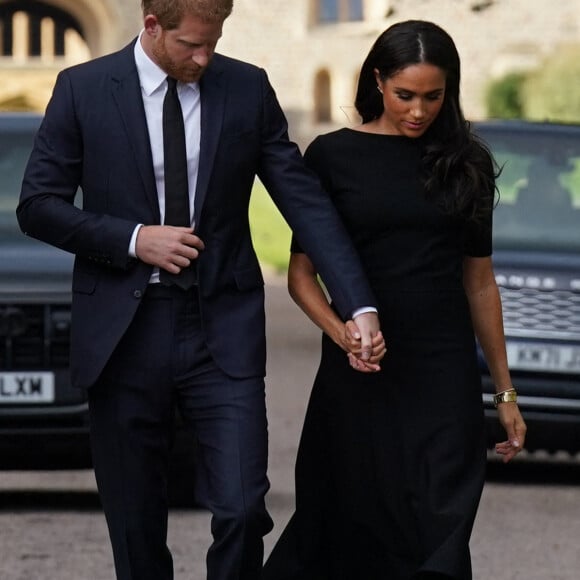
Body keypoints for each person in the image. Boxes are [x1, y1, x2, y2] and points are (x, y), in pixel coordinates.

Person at [16, 1, 385, 579]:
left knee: (241, 508)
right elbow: (37, 206)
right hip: (122, 333)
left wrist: (357, 302)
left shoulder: (246, 88)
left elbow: (303, 200)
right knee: (135, 523)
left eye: (214, 40)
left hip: (221, 329)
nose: (205, 56)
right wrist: (135, 239)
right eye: (191, 44)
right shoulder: (82, 88)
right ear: (152, 26)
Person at [262, 20, 527, 580]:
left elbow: (479, 282)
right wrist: (343, 333)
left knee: (440, 529)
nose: (418, 111)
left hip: (443, 376)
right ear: (378, 81)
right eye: (405, 95)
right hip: (359, 377)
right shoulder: (334, 156)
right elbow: (301, 276)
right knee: (346, 527)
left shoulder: (467, 163)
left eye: (434, 97)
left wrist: (504, 392)